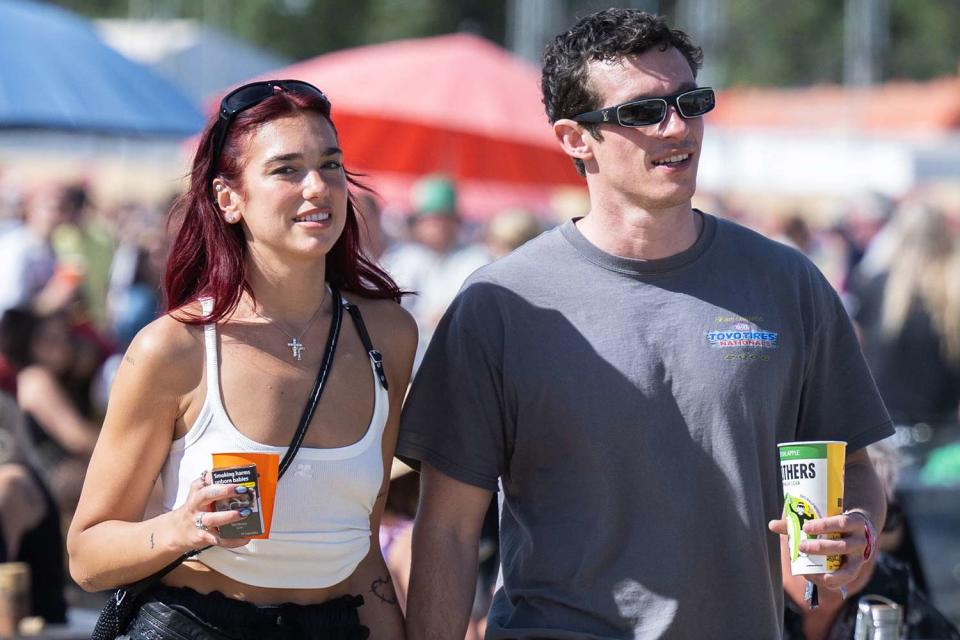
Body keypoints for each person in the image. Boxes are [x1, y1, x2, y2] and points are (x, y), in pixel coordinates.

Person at [397, 9, 893, 639]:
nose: (678, 126)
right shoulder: (501, 303)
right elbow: (445, 529)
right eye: (642, 112)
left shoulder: (786, 283)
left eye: (691, 101)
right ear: (575, 138)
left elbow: (853, 464)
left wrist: (856, 528)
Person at [67, 79, 417, 639]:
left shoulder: (388, 335)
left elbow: (360, 545)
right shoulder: (174, 347)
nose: (317, 188)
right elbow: (87, 556)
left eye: (330, 165)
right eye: (286, 170)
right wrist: (184, 529)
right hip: (196, 625)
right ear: (228, 198)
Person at [782, 441, 960, 639]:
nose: (859, 540)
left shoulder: (891, 591)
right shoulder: (746, 598)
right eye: (836, 516)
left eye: (881, 518)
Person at [381, 175, 490, 368]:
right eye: (430, 219)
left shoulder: (477, 258)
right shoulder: (399, 259)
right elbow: (384, 311)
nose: (436, 225)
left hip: (459, 360)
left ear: (455, 221)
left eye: (442, 218)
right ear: (417, 221)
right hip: (405, 360)